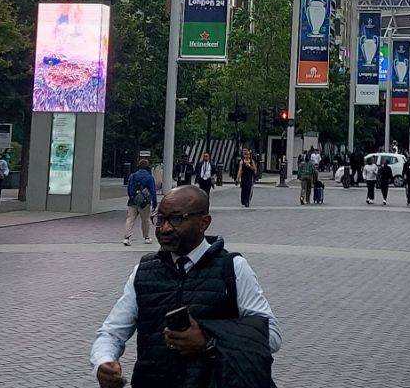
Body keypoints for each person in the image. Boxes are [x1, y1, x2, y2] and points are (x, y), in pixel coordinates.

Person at [91, 186, 281, 388]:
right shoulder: (144, 271)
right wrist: (104, 362)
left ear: (204, 222)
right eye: (161, 219)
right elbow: (112, 332)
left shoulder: (233, 268)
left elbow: (271, 336)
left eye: (177, 219)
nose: (165, 228)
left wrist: (209, 340)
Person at [124, 159, 158, 246]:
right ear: (147, 167)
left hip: (133, 201)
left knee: (130, 219)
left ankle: (126, 238)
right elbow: (153, 191)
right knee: (145, 220)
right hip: (144, 202)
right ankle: (146, 237)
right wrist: (154, 203)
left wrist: (132, 197)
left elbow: (129, 188)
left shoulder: (132, 176)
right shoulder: (149, 177)